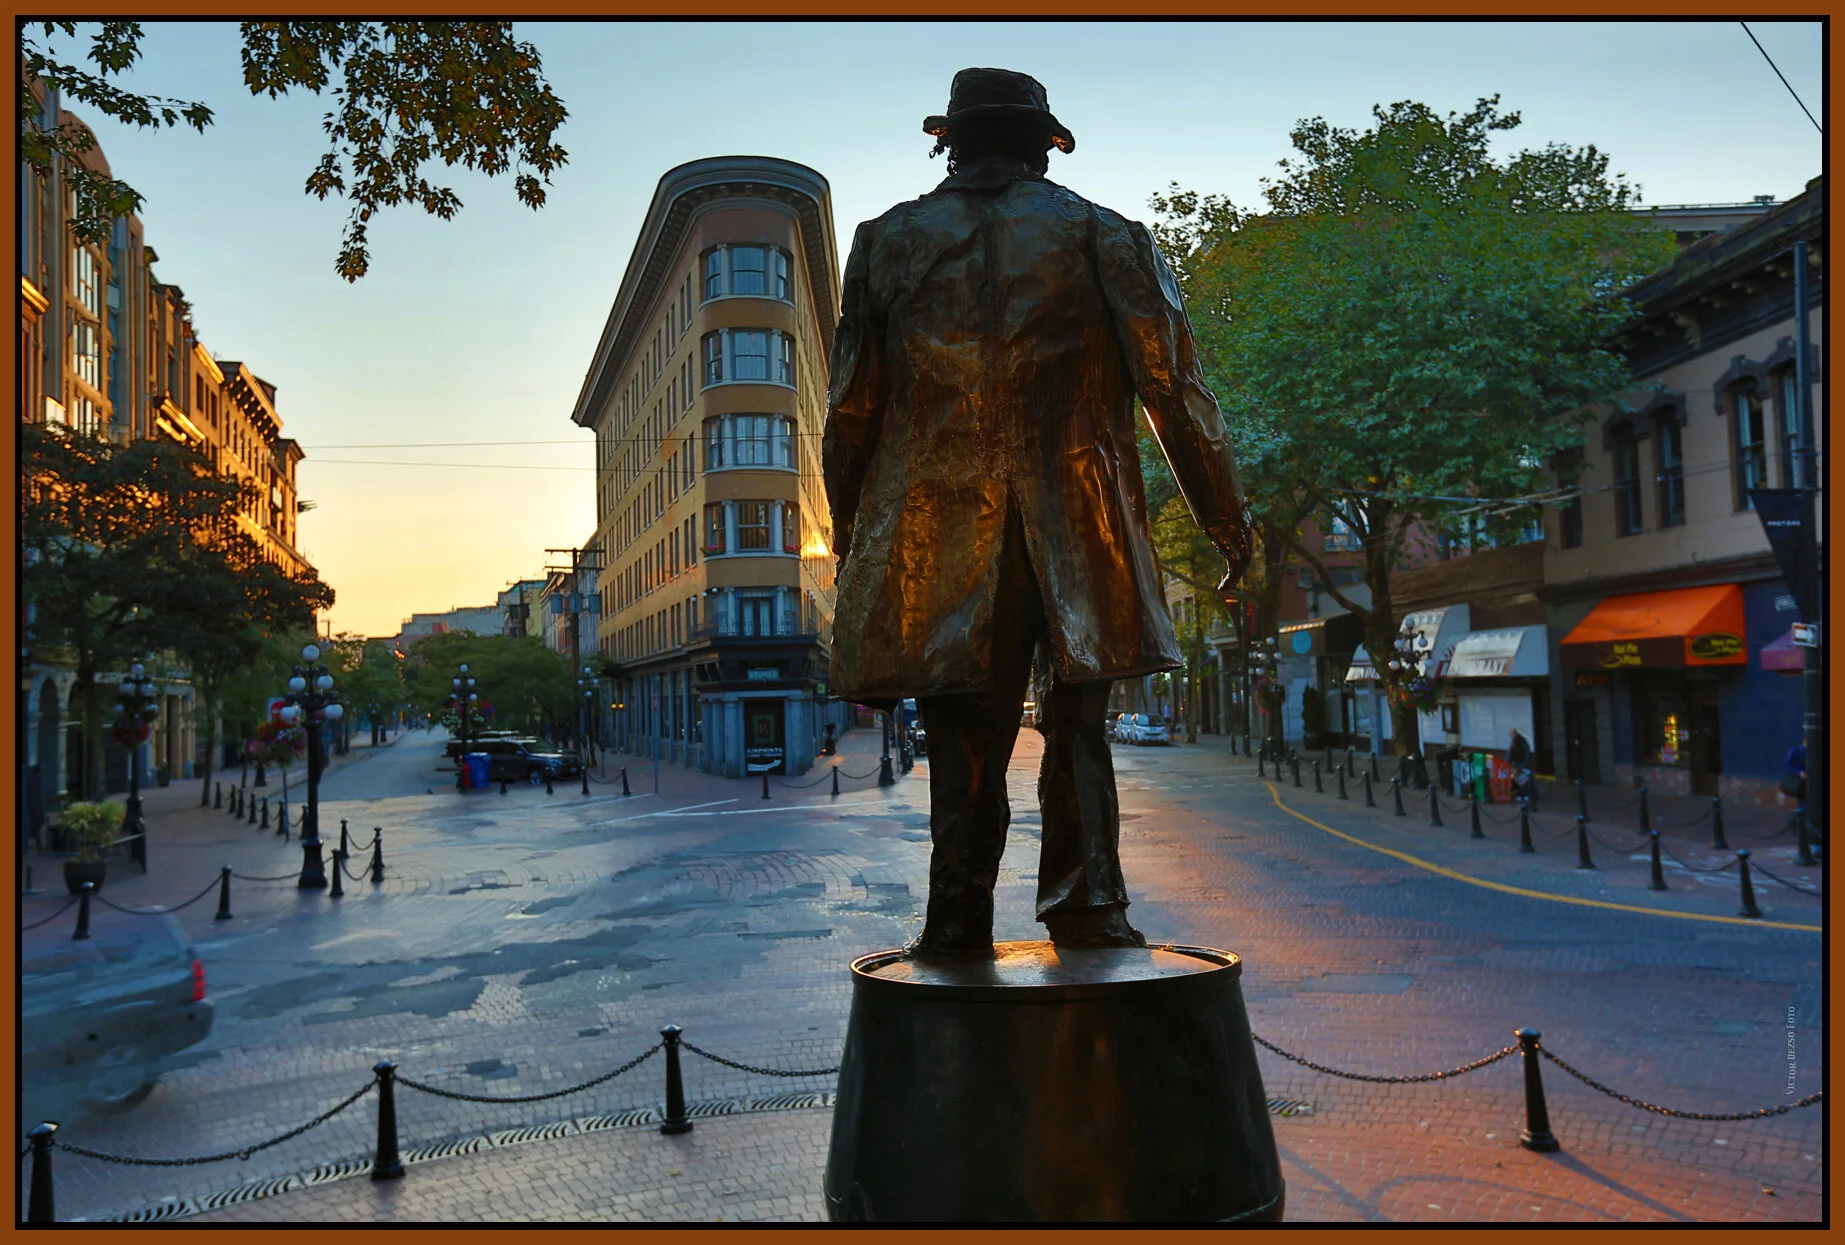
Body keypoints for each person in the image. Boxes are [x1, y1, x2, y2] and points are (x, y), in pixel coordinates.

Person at [823, 68, 1253, 956]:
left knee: (963, 738)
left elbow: (850, 410)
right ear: (1040, 144)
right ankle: (1087, 902)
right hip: (1079, 525)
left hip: (937, 538)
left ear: (950, 141)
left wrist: (858, 540)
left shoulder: (885, 243)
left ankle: (955, 916)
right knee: (1078, 728)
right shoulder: (1107, 235)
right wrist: (1224, 515)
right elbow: (1175, 390)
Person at [1507, 726, 1536, 808]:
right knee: (1520, 780)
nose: (1511, 735)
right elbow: (1511, 754)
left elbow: (1525, 754)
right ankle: (1523, 794)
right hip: (1520, 765)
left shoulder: (1520, 741)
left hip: (1524, 765)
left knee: (1523, 780)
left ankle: (1525, 795)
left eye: (1512, 733)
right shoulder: (1516, 741)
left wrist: (1522, 766)